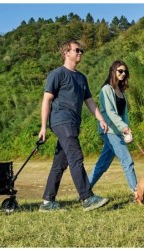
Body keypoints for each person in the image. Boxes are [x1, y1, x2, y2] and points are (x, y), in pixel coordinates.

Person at [38, 39, 109, 212]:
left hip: (73, 123)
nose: (80, 53)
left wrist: (101, 118)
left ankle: (47, 202)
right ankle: (87, 198)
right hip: (61, 120)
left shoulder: (81, 77)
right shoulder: (57, 74)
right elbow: (46, 100)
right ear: (66, 53)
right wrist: (43, 127)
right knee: (76, 156)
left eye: (81, 51)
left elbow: (90, 102)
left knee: (60, 163)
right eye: (77, 50)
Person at [88, 60, 138, 200]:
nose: (123, 74)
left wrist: (126, 129)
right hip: (108, 131)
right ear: (113, 71)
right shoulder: (106, 89)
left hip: (118, 132)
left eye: (125, 72)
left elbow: (124, 114)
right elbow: (110, 112)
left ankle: (84, 190)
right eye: (120, 71)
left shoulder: (121, 91)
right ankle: (136, 192)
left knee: (102, 165)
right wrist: (123, 127)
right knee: (127, 160)